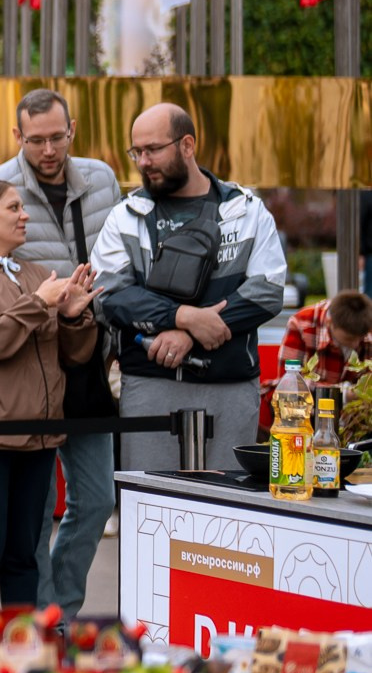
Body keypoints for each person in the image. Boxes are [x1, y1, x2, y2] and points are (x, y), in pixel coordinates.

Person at [0, 88, 125, 620]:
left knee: (97, 499)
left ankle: (61, 608)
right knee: (34, 513)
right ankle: (41, 621)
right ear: (17, 136)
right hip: (28, 368)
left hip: (86, 358)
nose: (47, 149)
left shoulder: (103, 179)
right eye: (35, 139)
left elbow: (123, 256)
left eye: (56, 137)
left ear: (72, 130)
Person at [0, 179, 98, 654]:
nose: (24, 215)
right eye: (14, 207)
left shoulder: (33, 273)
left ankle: (23, 655)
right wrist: (41, 303)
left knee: (24, 558)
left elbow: (73, 356)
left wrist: (72, 317)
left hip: (37, 436)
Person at [94, 102, 289, 475]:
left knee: (231, 515)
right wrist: (182, 317)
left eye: (153, 149)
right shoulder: (126, 215)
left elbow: (267, 291)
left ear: (187, 145)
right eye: (137, 151)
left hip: (229, 382)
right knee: (150, 513)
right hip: (150, 382)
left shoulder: (246, 210)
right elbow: (111, 294)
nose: (143, 161)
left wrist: (189, 336)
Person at [266, 289, 371, 431]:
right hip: (307, 413)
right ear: (330, 323)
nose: (355, 344)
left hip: (352, 419)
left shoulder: (365, 326)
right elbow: (287, 383)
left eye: (360, 338)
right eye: (349, 339)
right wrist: (342, 394)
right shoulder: (302, 324)